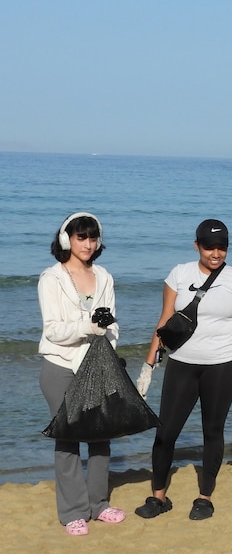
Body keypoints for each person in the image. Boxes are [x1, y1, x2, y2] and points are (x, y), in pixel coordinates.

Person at [134, 219, 232, 521]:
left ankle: (204, 497)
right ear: (196, 245)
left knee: (212, 431)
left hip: (223, 366)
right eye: (209, 246)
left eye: (221, 247)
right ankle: (158, 496)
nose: (215, 253)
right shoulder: (179, 273)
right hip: (182, 364)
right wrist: (149, 365)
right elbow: (165, 320)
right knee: (166, 432)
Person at [38, 212, 125, 535]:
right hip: (60, 365)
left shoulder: (104, 276)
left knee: (101, 436)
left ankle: (99, 503)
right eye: (80, 237)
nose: (87, 244)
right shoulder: (52, 278)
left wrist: (108, 345)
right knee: (68, 438)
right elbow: (54, 331)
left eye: (92, 237)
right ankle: (73, 511)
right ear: (66, 240)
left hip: (96, 366)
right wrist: (88, 327)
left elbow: (113, 327)